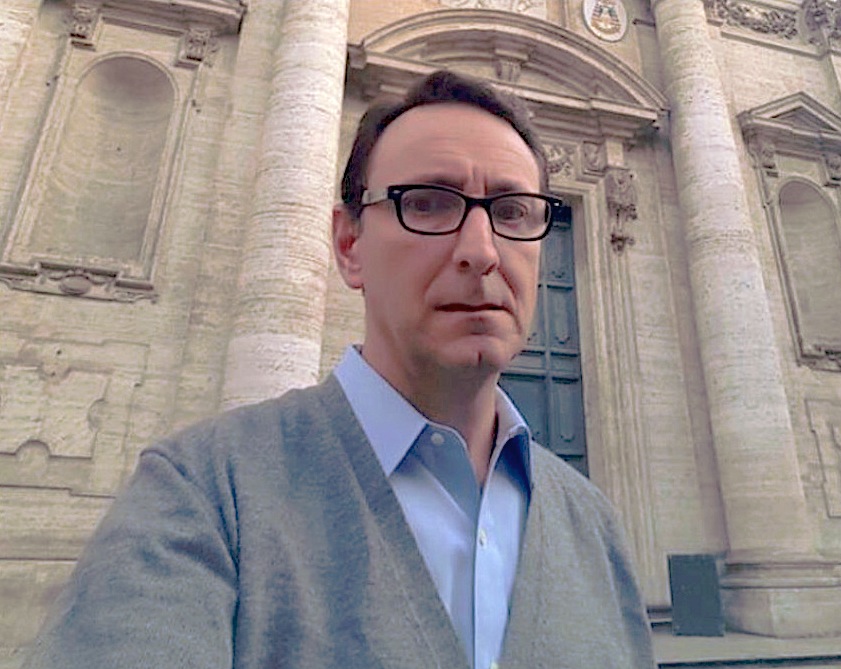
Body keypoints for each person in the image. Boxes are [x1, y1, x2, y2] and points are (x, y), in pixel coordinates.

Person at [24, 70, 655, 669]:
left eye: (513, 212)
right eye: (428, 204)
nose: (481, 251)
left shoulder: (593, 524)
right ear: (350, 245)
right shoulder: (203, 493)